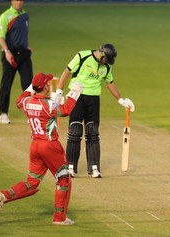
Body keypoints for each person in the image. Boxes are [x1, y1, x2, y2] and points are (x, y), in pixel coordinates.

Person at [0, 72, 83, 225]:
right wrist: (75, 93)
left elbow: (19, 100)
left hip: (35, 147)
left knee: (32, 183)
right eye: (48, 83)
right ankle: (59, 218)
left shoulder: (27, 101)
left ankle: (3, 195)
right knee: (64, 179)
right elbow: (66, 110)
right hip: (50, 146)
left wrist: (30, 88)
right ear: (44, 87)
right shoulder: (48, 104)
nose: (50, 84)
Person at [53, 43, 135, 178]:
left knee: (92, 131)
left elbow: (110, 83)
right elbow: (67, 72)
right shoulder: (82, 56)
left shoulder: (106, 66)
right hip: (76, 97)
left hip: (94, 100)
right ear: (102, 54)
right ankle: (70, 167)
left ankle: (94, 167)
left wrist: (121, 100)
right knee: (75, 131)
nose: (107, 63)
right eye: (106, 59)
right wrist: (59, 92)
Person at [0, 0, 33, 124]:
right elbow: (0, 37)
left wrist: (27, 46)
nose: (19, 2)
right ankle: (3, 113)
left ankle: (31, 114)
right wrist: (7, 51)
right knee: (6, 84)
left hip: (23, 54)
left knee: (29, 85)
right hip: (10, 54)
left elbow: (23, 34)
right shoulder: (6, 16)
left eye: (21, 0)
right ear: (12, 1)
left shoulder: (25, 15)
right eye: (16, 0)